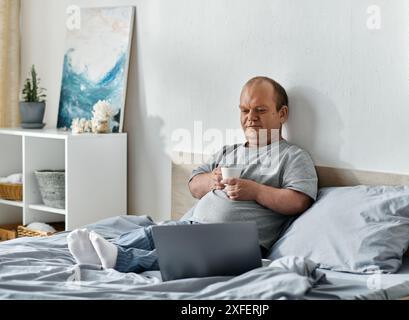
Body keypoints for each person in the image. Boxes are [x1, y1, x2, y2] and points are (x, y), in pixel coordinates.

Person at [67, 76, 318, 273]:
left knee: (180, 254)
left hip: (238, 243)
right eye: (244, 110)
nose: (250, 118)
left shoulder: (292, 157)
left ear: (282, 113)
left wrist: (256, 190)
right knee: (153, 233)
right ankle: (108, 249)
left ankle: (120, 259)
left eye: (260, 110)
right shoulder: (227, 151)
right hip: (195, 226)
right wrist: (212, 181)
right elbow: (193, 185)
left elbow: (299, 200)